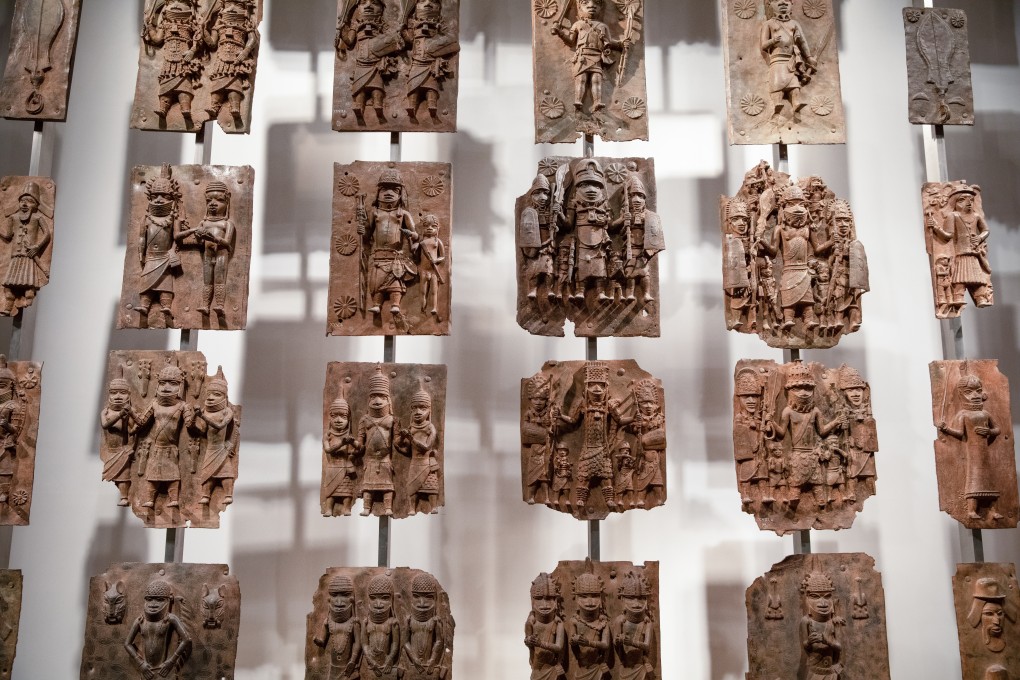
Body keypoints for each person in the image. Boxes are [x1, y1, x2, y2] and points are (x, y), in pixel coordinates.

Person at [938, 374, 1003, 521]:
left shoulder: (985, 413)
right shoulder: (963, 415)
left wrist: (989, 431)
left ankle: (994, 510)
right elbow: (960, 433)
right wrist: (946, 428)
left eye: (978, 391)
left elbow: (998, 429)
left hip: (985, 454)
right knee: (974, 479)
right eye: (969, 392)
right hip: (973, 455)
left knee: (990, 480)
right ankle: (971, 511)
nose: (975, 395)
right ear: (961, 395)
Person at [359, 170, 418, 318]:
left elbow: (415, 235)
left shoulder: (403, 214)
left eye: (394, 190)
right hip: (378, 256)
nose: (389, 193)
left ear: (400, 194)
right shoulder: (374, 213)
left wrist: (411, 235)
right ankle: (377, 305)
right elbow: (366, 237)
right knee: (377, 283)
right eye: (384, 189)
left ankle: (395, 305)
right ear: (378, 193)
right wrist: (362, 229)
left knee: (395, 284)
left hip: (394, 256)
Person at [135, 360, 194, 510]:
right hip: (157, 447)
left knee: (173, 474)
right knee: (152, 473)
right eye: (163, 383)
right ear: (158, 385)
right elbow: (142, 421)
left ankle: (173, 499)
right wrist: (130, 411)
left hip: (171, 448)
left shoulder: (182, 406)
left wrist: (196, 415)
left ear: (180, 386)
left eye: (172, 383)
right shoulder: (154, 404)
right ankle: (149, 499)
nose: (167, 387)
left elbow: (190, 426)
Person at [551, 0, 628, 114]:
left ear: (601, 7)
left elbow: (609, 41)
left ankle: (598, 102)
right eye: (585, 3)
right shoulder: (578, 24)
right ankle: (578, 101)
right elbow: (571, 42)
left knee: (596, 79)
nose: (591, 5)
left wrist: (620, 44)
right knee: (581, 79)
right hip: (582, 57)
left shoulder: (603, 26)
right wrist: (561, 33)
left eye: (596, 3)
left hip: (597, 56)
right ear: (579, 7)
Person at [337, 0, 402, 121]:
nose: (368, 6)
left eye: (374, 3)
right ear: (357, 8)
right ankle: (359, 107)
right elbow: (349, 41)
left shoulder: (382, 25)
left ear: (382, 9)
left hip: (375, 63)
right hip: (361, 62)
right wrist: (342, 31)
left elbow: (391, 41)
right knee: (360, 89)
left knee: (377, 87)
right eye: (363, 2)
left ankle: (378, 106)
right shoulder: (356, 26)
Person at [138, 166, 186, 329]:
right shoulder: (146, 218)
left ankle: (166, 307)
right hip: (151, 257)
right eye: (155, 196)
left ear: (172, 198)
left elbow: (176, 238)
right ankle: (144, 307)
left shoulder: (173, 219)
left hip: (164, 257)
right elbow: (141, 239)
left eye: (164, 196)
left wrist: (173, 250)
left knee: (165, 283)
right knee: (146, 284)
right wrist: (141, 255)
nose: (159, 200)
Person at [932, 184, 993, 309]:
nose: (969, 202)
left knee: (978, 277)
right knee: (960, 277)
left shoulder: (976, 216)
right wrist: (936, 227)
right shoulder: (952, 216)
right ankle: (958, 297)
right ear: (956, 202)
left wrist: (980, 237)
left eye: (971, 200)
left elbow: (986, 230)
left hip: (974, 254)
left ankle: (980, 297)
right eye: (963, 199)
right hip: (961, 254)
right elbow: (948, 235)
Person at [143, 0, 202, 123]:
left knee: (184, 85)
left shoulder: (190, 25)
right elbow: (157, 39)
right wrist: (149, 27)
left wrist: (191, 52)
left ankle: (185, 108)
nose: (176, 7)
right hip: (169, 59)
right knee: (166, 84)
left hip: (183, 60)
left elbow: (199, 41)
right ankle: (163, 108)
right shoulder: (165, 25)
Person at [401, 0, 458, 120]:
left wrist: (441, 29)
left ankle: (432, 106)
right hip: (416, 63)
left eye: (433, 1)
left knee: (431, 87)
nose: (427, 4)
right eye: (422, 1)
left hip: (430, 64)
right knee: (413, 87)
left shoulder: (439, 26)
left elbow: (451, 40)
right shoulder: (415, 28)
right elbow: (409, 41)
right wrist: (403, 31)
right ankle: (412, 106)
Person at [124, 579, 193, 679]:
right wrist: (140, 664)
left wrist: (171, 661)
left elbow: (186, 639)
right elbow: (127, 644)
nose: (153, 604)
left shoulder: (170, 619)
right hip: (146, 669)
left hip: (165, 669)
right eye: (150, 599)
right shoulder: (140, 620)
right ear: (145, 600)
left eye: (160, 599)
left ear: (168, 600)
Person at [203, 0, 259, 121]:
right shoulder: (219, 25)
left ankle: (235, 107)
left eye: (237, 5)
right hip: (221, 57)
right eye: (229, 4)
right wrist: (204, 31)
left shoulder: (245, 23)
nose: (232, 9)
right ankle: (214, 107)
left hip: (236, 58)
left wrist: (244, 52)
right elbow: (212, 43)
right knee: (218, 82)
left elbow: (252, 39)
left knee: (235, 83)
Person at [0, 181, 51, 314]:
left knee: (29, 283)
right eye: (22, 200)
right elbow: (8, 235)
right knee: (8, 284)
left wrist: (37, 246)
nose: (24, 204)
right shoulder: (14, 218)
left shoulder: (37, 217)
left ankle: (28, 300)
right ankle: (8, 306)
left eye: (29, 201)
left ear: (36, 205)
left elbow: (47, 233)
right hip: (15, 257)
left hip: (29, 257)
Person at [612, 173, 664, 303]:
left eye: (640, 196)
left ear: (644, 199)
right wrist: (622, 220)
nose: (636, 199)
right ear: (626, 199)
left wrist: (649, 251)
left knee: (644, 273)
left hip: (643, 250)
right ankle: (630, 294)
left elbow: (655, 236)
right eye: (632, 195)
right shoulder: (625, 215)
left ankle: (646, 293)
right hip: (629, 249)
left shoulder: (650, 216)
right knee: (629, 272)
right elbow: (611, 227)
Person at [759, 0, 815, 120]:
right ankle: (777, 103)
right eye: (778, 1)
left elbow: (803, 42)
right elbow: (763, 45)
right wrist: (773, 41)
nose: (783, 3)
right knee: (776, 82)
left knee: (793, 83)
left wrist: (809, 57)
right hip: (777, 59)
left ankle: (796, 102)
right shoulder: (768, 24)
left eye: (787, 1)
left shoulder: (794, 23)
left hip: (791, 60)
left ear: (792, 5)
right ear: (771, 5)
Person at [356, 366, 397, 516]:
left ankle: (388, 508)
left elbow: (396, 441)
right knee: (368, 487)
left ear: (388, 399)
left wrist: (404, 441)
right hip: (371, 460)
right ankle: (367, 508)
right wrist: (353, 444)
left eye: (381, 397)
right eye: (373, 397)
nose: (377, 401)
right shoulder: (364, 419)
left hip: (385, 459)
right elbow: (360, 443)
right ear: (369, 399)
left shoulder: (392, 419)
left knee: (387, 486)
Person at [193, 367, 237, 506]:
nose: (211, 398)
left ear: (224, 397)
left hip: (221, 448)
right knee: (208, 473)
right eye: (209, 394)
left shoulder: (227, 412)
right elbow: (202, 431)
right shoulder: (206, 411)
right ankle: (205, 495)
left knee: (226, 471)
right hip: (210, 448)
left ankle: (228, 494)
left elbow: (220, 426)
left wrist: (203, 416)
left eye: (216, 394)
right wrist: (193, 421)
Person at [397, 379, 441, 514]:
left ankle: (433, 506)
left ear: (429, 410)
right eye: (415, 408)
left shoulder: (430, 427)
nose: (418, 411)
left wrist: (411, 438)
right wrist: (400, 440)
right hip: (414, 463)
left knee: (431, 487)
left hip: (426, 463)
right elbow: (406, 451)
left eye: (422, 408)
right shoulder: (411, 427)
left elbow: (427, 446)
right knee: (412, 487)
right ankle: (411, 508)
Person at [314, 575, 362, 680]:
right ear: (329, 599)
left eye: (344, 595)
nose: (339, 602)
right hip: (333, 667)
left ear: (352, 599)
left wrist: (353, 661)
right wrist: (318, 640)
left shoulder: (354, 623)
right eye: (335, 595)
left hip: (347, 668)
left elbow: (358, 643)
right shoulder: (328, 621)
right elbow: (322, 640)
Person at [101, 367, 137, 507]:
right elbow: (105, 425)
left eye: (122, 393)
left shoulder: (128, 412)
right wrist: (119, 415)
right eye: (114, 393)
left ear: (128, 395)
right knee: (117, 475)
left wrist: (132, 420)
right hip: (111, 450)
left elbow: (136, 427)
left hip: (123, 449)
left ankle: (124, 497)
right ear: (109, 395)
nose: (117, 396)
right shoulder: (106, 412)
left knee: (124, 474)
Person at [402, 573, 449, 680]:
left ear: (435, 598)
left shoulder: (435, 621)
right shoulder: (409, 620)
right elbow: (405, 641)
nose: (422, 603)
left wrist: (432, 660)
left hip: (429, 665)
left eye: (428, 597)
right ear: (411, 597)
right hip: (413, 664)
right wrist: (413, 658)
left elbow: (439, 641)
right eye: (417, 596)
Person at [799, 570, 843, 680]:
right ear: (807, 599)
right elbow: (805, 645)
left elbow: (839, 646)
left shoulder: (834, 622)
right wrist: (809, 641)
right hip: (814, 672)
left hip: (830, 673)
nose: (822, 603)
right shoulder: (806, 621)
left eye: (827, 596)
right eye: (815, 596)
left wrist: (826, 640)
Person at [520, 174, 557, 301]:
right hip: (534, 247)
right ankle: (533, 289)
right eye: (538, 193)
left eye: (546, 193)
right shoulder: (529, 212)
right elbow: (527, 233)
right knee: (533, 270)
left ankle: (549, 289)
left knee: (548, 269)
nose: (542, 197)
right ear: (532, 195)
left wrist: (557, 219)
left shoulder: (551, 212)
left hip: (547, 245)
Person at [612, 572, 655, 680]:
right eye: (631, 598)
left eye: (641, 598)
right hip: (625, 668)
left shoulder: (647, 622)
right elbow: (615, 644)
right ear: (623, 599)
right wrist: (619, 640)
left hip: (640, 668)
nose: (636, 604)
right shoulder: (620, 621)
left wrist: (630, 642)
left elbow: (647, 646)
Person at [322, 391, 359, 517]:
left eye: (343, 417)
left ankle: (346, 508)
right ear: (330, 417)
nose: (338, 420)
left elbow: (359, 448)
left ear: (348, 419)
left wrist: (353, 443)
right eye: (334, 416)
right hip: (332, 467)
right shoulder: (328, 436)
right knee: (330, 491)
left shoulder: (348, 436)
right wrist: (342, 443)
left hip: (344, 468)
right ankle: (328, 509)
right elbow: (328, 450)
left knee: (347, 491)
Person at [569, 571, 610, 680]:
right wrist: (574, 641)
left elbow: (606, 645)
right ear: (577, 598)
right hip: (581, 668)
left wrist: (588, 643)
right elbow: (572, 645)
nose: (590, 602)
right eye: (584, 596)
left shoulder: (603, 622)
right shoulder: (574, 621)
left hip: (597, 668)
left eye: (595, 596)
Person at [525, 573, 566, 680]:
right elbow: (530, 646)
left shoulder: (558, 623)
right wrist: (529, 641)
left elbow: (558, 647)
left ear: (556, 600)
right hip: (537, 669)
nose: (545, 605)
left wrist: (540, 643)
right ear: (533, 600)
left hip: (552, 669)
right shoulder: (531, 622)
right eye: (539, 599)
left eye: (549, 598)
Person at [362, 573, 400, 680]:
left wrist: (390, 659)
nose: (378, 604)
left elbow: (395, 643)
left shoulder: (393, 623)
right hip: (371, 665)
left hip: (386, 664)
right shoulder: (366, 622)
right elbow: (364, 644)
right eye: (373, 598)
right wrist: (371, 661)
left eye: (384, 598)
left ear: (391, 600)